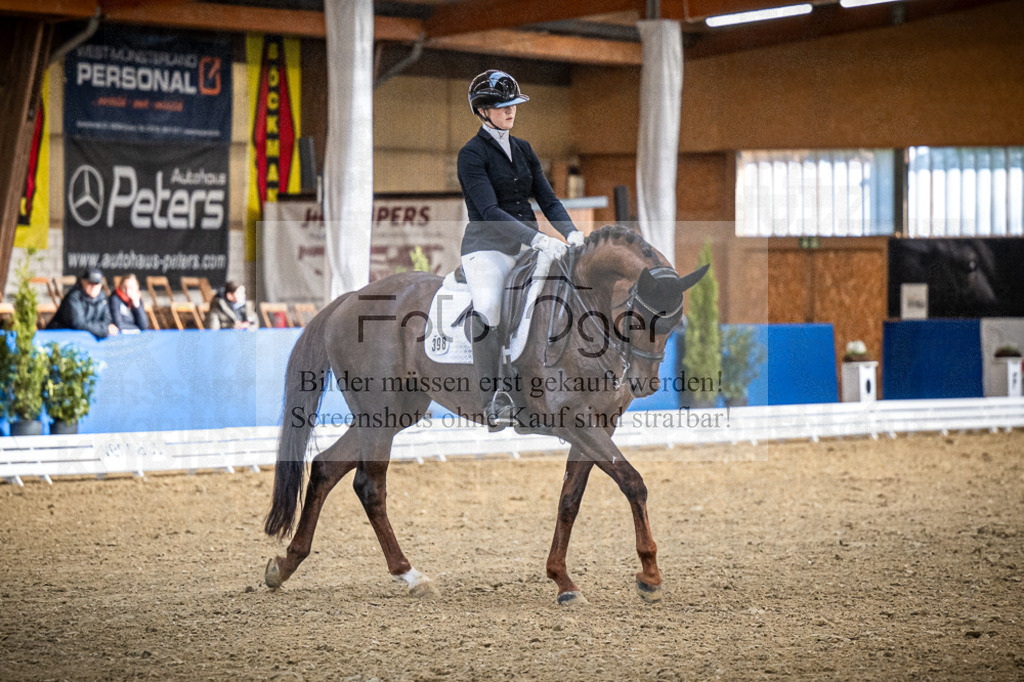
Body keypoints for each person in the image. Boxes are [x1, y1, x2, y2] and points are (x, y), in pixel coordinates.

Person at [458, 69, 585, 430]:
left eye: (513, 104)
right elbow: (489, 211)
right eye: (502, 106)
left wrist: (572, 233)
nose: (511, 110)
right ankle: (492, 401)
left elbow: (548, 199)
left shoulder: (524, 149)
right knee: (489, 307)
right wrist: (539, 239)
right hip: (487, 247)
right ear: (483, 111)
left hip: (528, 246)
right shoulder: (471, 154)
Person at [46, 267, 119, 339]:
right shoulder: (74, 297)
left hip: (85, 338)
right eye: (90, 283)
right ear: (83, 282)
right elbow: (79, 324)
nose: (93, 287)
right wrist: (104, 330)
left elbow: (107, 321)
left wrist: (103, 328)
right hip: (59, 337)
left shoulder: (102, 298)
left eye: (96, 283)